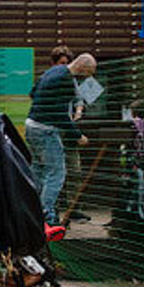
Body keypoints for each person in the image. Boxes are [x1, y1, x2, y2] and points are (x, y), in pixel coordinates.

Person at [25, 46, 94, 226]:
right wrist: (78, 135)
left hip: (31, 124)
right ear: (83, 68)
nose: (86, 78)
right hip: (45, 130)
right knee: (57, 172)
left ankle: (29, 209)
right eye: (88, 74)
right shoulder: (66, 80)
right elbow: (60, 115)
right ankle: (45, 216)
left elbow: (32, 93)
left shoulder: (54, 71)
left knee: (39, 170)